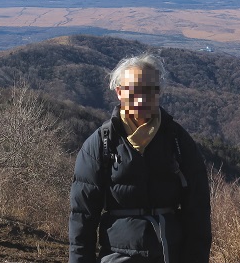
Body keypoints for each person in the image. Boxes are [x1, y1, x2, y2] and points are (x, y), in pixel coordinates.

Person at [69, 54, 212, 263]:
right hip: (118, 255)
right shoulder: (101, 144)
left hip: (169, 254)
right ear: (119, 92)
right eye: (133, 90)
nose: (142, 98)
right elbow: (82, 215)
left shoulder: (177, 141)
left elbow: (198, 211)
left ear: (159, 92)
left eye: (150, 90)